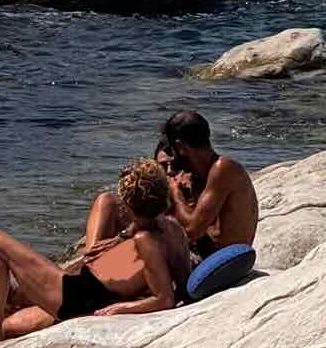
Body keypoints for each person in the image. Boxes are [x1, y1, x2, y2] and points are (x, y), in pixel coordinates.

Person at [0, 160, 189, 345]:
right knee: (9, 325)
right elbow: (183, 284)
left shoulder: (145, 242)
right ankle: (6, 309)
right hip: (87, 293)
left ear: (127, 204)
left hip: (74, 299)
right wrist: (122, 238)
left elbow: (164, 299)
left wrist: (121, 309)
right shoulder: (173, 228)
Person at [81, 111, 257, 261]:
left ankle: (92, 268)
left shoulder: (223, 168)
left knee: (113, 205)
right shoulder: (204, 173)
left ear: (180, 147)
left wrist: (174, 191)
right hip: (205, 252)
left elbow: (191, 231)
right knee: (109, 201)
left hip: (216, 262)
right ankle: (93, 260)